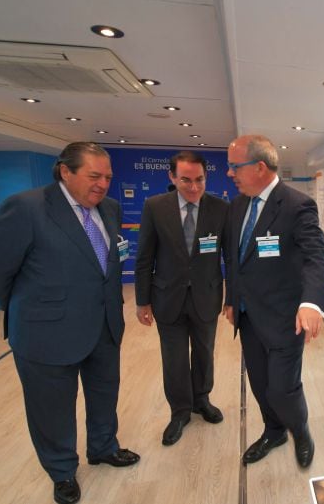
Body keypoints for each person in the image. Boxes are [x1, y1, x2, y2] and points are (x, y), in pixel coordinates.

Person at [0, 142, 139, 504]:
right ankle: (62, 470)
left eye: (108, 177)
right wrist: (27, 306)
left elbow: (107, 267)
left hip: (103, 325)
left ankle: (103, 447)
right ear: (66, 172)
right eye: (93, 175)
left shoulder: (109, 209)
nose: (102, 184)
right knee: (51, 407)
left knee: (104, 394)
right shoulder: (27, 208)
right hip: (45, 331)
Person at [222, 134, 324, 469]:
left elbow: (318, 256)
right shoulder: (239, 204)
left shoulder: (297, 205)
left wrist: (312, 303)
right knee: (259, 383)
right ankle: (274, 431)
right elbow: (235, 258)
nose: (229, 174)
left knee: (282, 389)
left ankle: (300, 431)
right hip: (248, 314)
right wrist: (231, 299)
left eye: (234, 167)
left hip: (285, 317)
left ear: (258, 167)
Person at [134, 151, 228, 446]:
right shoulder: (155, 207)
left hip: (206, 295)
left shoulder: (220, 208)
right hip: (167, 297)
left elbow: (231, 259)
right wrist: (142, 300)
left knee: (204, 353)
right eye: (185, 180)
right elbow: (144, 256)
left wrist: (233, 298)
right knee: (173, 358)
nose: (194, 187)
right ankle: (179, 412)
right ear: (172, 177)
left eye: (199, 179)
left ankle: (202, 400)